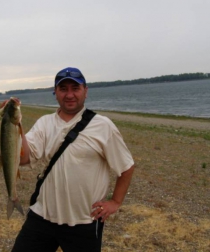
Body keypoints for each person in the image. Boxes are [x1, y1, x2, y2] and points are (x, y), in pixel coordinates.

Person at [12, 67, 134, 252]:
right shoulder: (45, 123)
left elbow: (126, 167)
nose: (69, 94)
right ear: (55, 93)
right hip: (42, 216)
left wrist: (115, 202)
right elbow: (23, 158)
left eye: (75, 88)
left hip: (84, 221)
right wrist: (13, 124)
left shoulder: (103, 125)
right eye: (63, 89)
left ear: (85, 91)